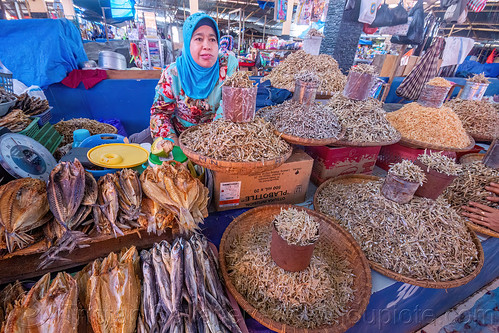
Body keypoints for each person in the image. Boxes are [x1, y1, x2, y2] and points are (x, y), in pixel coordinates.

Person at [149, 13, 238, 145]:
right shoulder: (173, 73)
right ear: (188, 43)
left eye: (212, 39)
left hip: (218, 141)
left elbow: (230, 106)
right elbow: (159, 113)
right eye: (199, 39)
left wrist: (209, 147)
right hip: (180, 138)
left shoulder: (227, 65)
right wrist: (175, 146)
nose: (207, 45)